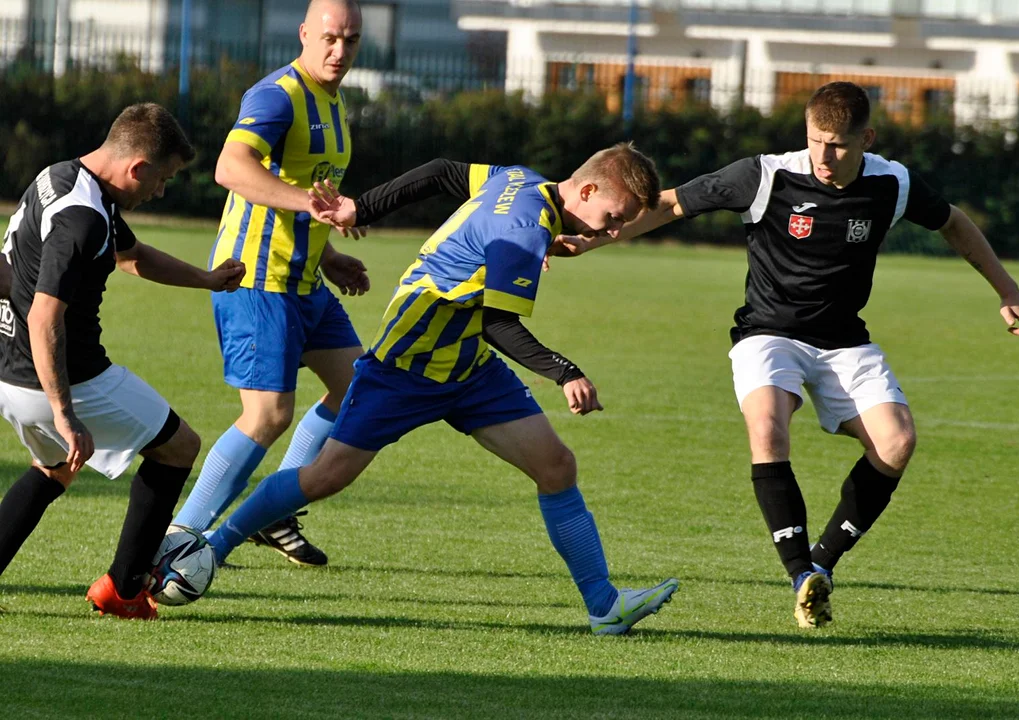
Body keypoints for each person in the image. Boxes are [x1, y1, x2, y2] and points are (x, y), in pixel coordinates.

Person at [547, 82, 1019, 628]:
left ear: (866, 138)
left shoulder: (891, 183)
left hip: (845, 340)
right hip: (768, 332)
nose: (823, 156)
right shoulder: (764, 175)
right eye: (814, 141)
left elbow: (953, 221)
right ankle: (799, 573)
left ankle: (820, 568)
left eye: (837, 145)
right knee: (767, 422)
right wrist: (594, 240)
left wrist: (1008, 291)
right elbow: (669, 204)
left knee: (898, 442)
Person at [205, 143, 681, 635]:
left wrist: (360, 207)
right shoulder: (523, 226)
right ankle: (212, 548)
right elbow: (499, 322)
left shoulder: (519, 179)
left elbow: (440, 172)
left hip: (469, 367)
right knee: (325, 478)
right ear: (585, 190)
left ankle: (604, 606)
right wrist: (565, 372)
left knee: (556, 466)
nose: (612, 231)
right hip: (405, 366)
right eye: (612, 216)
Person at [0, 103, 245, 619]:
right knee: (180, 447)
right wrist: (65, 414)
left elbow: (133, 257)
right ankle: (124, 589)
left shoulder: (64, 178)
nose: (161, 191)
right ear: (137, 167)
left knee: (52, 471)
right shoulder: (82, 218)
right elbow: (47, 318)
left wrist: (205, 279)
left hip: (11, 372)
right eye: (163, 178)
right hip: (67, 376)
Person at [173, 0, 372, 566]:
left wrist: (328, 254)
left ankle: (272, 506)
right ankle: (178, 537)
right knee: (267, 415)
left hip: (305, 280)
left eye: (351, 41)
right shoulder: (276, 95)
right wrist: (311, 206)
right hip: (257, 280)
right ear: (305, 33)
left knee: (357, 389)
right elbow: (231, 168)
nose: (339, 51)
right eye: (330, 38)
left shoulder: (332, 101)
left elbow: (297, 192)